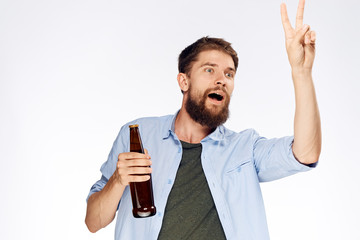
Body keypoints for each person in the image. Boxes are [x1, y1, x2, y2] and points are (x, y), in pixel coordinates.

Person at [85, 0, 321, 239]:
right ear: (183, 81)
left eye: (229, 73)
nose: (222, 79)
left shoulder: (244, 148)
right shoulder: (138, 135)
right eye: (210, 70)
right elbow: (93, 221)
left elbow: (305, 153)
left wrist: (301, 72)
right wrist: (117, 180)